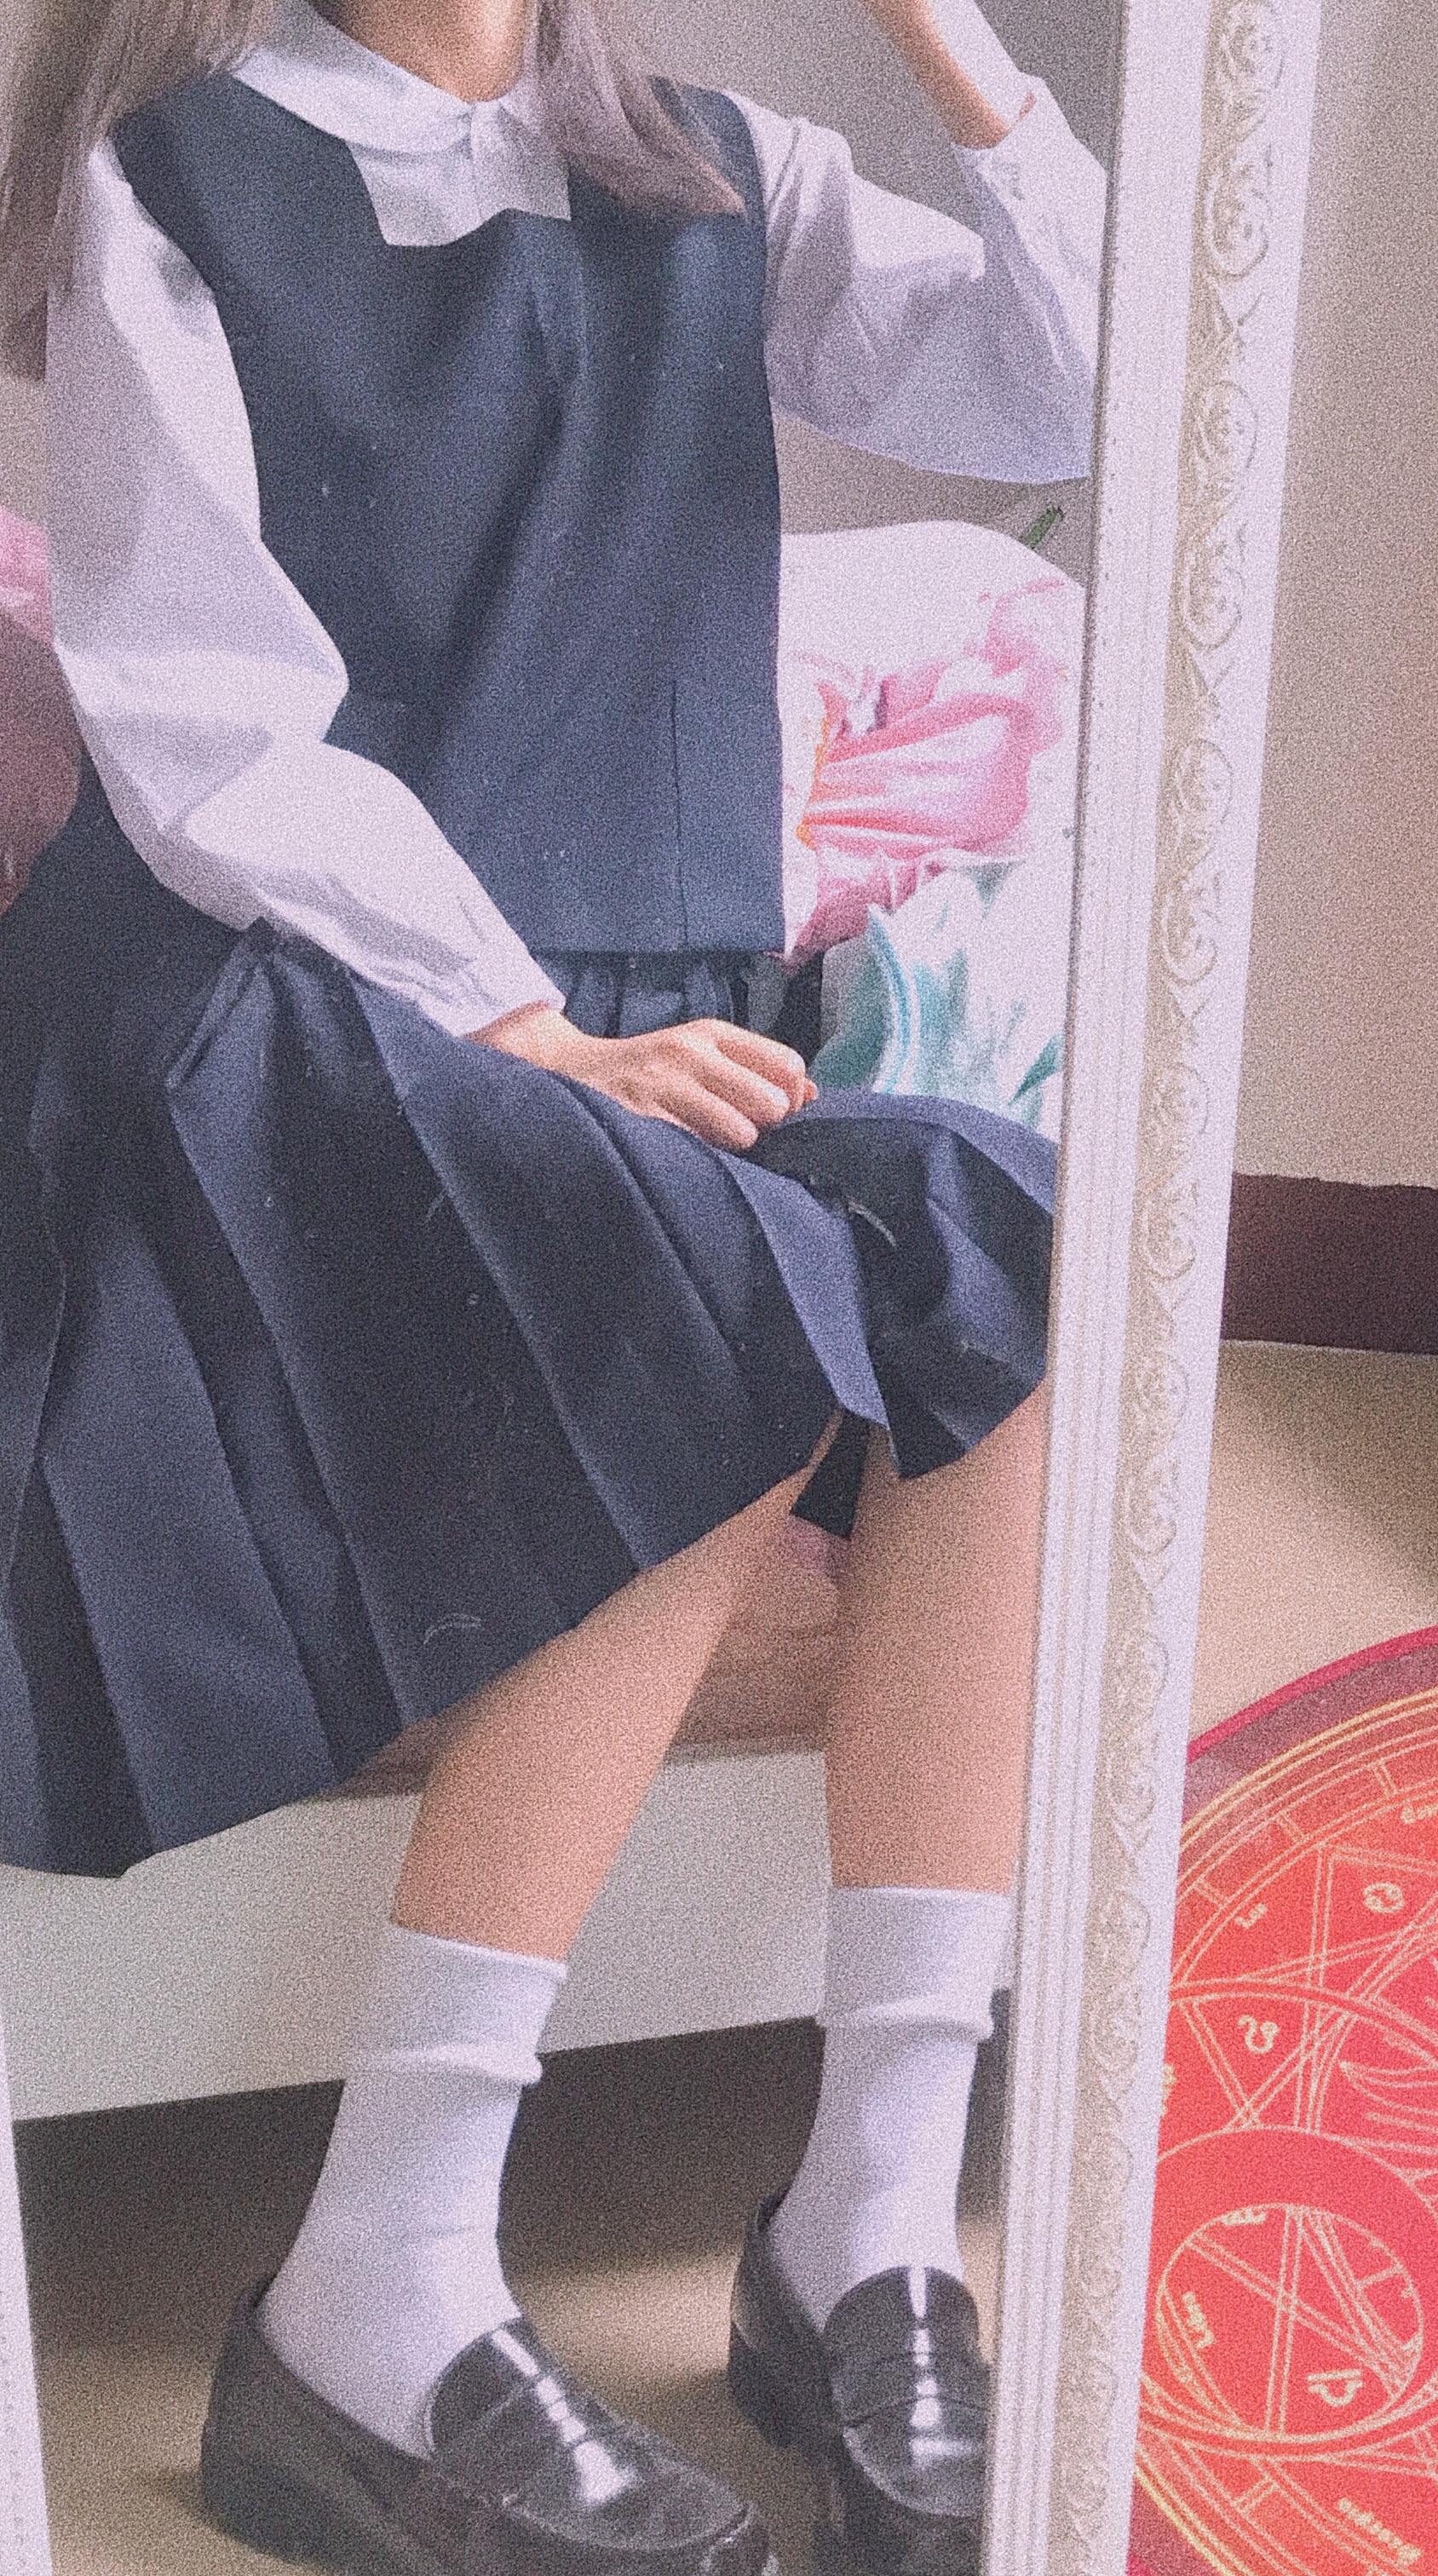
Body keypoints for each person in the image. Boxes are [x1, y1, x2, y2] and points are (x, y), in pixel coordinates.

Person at [0, 0, 1101, 2560]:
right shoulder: (184, 180)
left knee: (1005, 1254)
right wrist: (514, 1027)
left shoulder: (722, 177)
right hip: (280, 1021)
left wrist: (955, 49)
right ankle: (376, 2277)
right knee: (717, 1293)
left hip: (630, 1041)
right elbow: (205, 730)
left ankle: (868, 2216)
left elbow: (1066, 383)